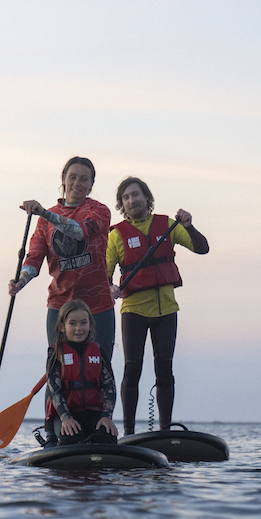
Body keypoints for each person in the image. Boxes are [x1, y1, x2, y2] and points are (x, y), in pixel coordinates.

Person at [105, 176, 209, 435]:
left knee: (164, 369)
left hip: (166, 311)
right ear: (122, 204)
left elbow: (202, 248)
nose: (132, 200)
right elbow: (104, 276)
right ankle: (129, 433)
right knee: (132, 370)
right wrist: (110, 288)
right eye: (126, 197)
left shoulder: (168, 225)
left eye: (136, 194)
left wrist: (190, 226)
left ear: (147, 197)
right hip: (133, 311)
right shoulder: (116, 235)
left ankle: (165, 430)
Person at [7, 155, 116, 364]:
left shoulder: (99, 211)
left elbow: (79, 232)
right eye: (72, 177)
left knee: (100, 371)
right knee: (58, 371)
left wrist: (44, 213)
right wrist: (20, 281)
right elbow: (34, 259)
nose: (77, 183)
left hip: (98, 306)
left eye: (84, 179)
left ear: (91, 184)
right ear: (63, 179)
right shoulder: (44, 221)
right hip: (60, 306)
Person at [40, 298, 118, 447]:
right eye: (72, 323)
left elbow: (110, 387)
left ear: (90, 324)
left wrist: (107, 417)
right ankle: (52, 438)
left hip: (94, 415)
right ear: (62, 327)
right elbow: (54, 390)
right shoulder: (55, 354)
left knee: (107, 438)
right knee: (71, 440)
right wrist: (66, 418)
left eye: (83, 322)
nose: (79, 328)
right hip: (66, 417)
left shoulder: (99, 352)